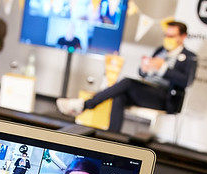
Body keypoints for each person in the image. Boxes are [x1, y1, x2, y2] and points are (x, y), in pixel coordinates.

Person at [56, 20, 197, 132]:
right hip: (146, 89)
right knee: (119, 96)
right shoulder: (160, 50)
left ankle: (84, 104)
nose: (167, 39)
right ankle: (112, 138)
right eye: (166, 35)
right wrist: (145, 69)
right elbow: (142, 73)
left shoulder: (190, 57)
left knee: (127, 83)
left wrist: (163, 69)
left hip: (164, 96)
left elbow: (186, 81)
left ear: (183, 36)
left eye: (171, 36)